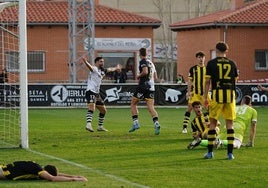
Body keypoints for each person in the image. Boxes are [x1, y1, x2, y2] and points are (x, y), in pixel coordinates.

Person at [203, 41, 238, 160]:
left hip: (217, 96)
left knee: (212, 124)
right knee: (230, 125)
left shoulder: (211, 63)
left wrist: (205, 97)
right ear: (226, 51)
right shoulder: (232, 63)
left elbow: (208, 81)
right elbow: (235, 80)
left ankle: (210, 152)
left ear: (216, 50)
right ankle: (230, 153)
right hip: (230, 96)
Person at [128, 47, 161, 135]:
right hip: (151, 87)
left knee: (133, 104)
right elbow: (156, 77)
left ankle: (136, 123)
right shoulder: (151, 63)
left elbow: (145, 72)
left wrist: (139, 76)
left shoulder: (143, 61)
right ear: (147, 53)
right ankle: (156, 123)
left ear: (139, 54)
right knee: (151, 107)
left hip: (143, 86)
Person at [83, 56, 116, 132]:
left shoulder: (103, 71)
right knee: (92, 108)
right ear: (97, 62)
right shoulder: (94, 69)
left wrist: (116, 68)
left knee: (103, 110)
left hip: (97, 93)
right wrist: (85, 62)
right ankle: (88, 124)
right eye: (101, 61)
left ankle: (100, 126)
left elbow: (110, 69)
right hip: (91, 91)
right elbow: (90, 67)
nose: (102, 63)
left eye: (103, 61)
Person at [181, 51, 207, 134]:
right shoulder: (193, 69)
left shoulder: (207, 69)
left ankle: (206, 125)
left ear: (204, 58)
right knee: (190, 108)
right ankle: (184, 127)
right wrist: (188, 92)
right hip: (195, 93)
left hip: (204, 94)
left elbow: (210, 81)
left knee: (209, 109)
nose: (201, 59)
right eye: (199, 57)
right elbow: (190, 81)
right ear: (197, 59)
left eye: (202, 57)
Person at [0, 161, 87, 181]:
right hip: (2, 173)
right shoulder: (38, 170)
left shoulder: (37, 167)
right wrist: (75, 179)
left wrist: (74, 176)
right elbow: (53, 178)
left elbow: (56, 175)